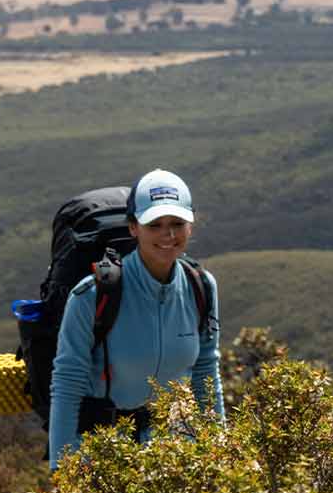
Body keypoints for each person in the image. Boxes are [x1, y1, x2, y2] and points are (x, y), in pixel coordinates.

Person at [47, 168, 224, 463]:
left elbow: (206, 370)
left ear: (191, 225)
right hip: (104, 454)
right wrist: (62, 467)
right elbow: (68, 382)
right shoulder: (93, 294)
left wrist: (220, 449)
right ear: (133, 227)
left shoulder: (202, 287)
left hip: (176, 454)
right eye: (154, 224)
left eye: (177, 223)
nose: (168, 235)